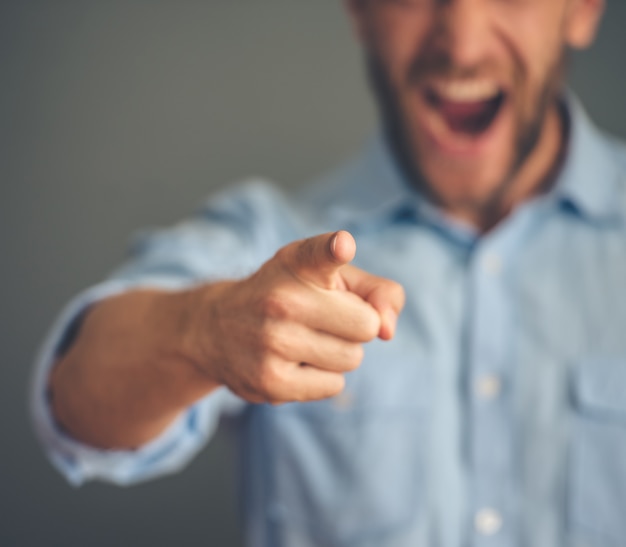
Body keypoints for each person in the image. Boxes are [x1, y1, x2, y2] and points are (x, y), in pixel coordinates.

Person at [31, 0, 623, 545]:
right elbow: (74, 398)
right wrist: (205, 331)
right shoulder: (269, 241)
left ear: (583, 9)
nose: (463, 44)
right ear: (360, 12)